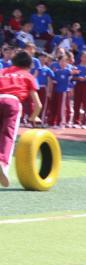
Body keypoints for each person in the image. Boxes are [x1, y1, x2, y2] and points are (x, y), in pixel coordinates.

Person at [0, 50, 42, 187]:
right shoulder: (28, 76)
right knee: (8, 136)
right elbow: (38, 105)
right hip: (12, 102)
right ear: (29, 65)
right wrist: (33, 117)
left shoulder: (3, 71)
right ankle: (3, 165)